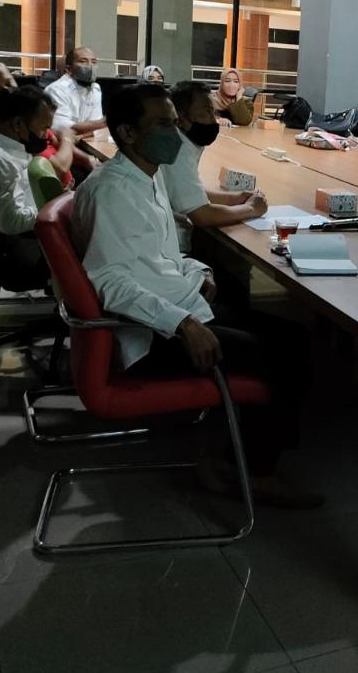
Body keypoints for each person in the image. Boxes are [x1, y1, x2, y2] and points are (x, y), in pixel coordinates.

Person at [71, 83, 320, 507]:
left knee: (293, 337)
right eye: (164, 124)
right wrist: (183, 325)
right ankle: (256, 472)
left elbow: (160, 255)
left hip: (180, 305)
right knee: (275, 356)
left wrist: (198, 270)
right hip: (153, 334)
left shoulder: (146, 175)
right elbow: (110, 281)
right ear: (128, 133)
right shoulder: (113, 191)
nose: (177, 132)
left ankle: (234, 451)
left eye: (176, 122)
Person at [165, 80, 269, 246]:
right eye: (206, 113)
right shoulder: (177, 150)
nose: (213, 121)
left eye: (213, 112)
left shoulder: (183, 141)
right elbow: (202, 215)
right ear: (180, 117)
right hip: (172, 247)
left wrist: (233, 198)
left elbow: (187, 190)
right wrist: (251, 209)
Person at [0, 87, 54, 280]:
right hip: (26, 245)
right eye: (43, 128)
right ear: (18, 124)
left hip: (36, 231)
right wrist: (53, 210)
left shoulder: (7, 147)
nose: (46, 135)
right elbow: (11, 223)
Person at [0, 56, 86, 187]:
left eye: (9, 83)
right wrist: (67, 139)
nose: (9, 92)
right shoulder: (8, 129)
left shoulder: (22, 117)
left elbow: (52, 138)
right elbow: (58, 169)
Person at [44, 47, 106, 137]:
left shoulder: (95, 88)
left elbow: (96, 128)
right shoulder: (56, 89)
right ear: (69, 69)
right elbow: (64, 129)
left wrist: (84, 133)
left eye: (94, 62)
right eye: (83, 61)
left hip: (83, 141)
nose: (90, 66)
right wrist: (106, 122)